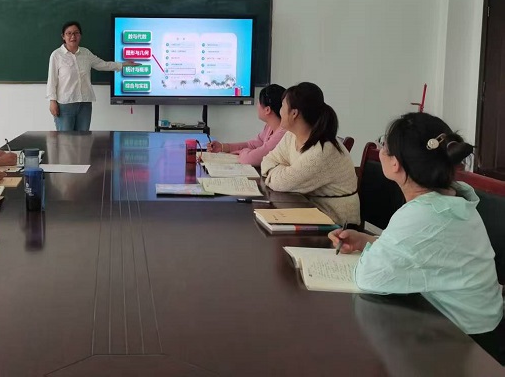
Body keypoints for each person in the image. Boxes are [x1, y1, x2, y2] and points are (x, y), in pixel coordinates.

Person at [329, 112, 504, 339]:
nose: (380, 149)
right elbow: (426, 249)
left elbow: (368, 278)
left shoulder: (423, 213)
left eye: (384, 144)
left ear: (396, 163)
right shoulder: (450, 198)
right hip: (477, 322)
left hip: (469, 340)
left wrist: (374, 249)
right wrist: (368, 241)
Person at [260, 82, 359, 225]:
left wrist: (276, 171)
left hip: (336, 226)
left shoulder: (323, 151)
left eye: (282, 106)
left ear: (294, 113)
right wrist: (282, 171)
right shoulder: (291, 136)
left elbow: (281, 183)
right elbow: (268, 160)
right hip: (310, 213)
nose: (279, 111)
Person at [46, 21, 136, 132]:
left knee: (83, 139)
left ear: (80, 35)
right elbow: (52, 80)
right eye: (69, 33)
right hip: (65, 105)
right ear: (63, 36)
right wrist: (52, 101)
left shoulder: (86, 53)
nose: (73, 36)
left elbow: (102, 64)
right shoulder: (56, 55)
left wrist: (122, 65)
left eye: (76, 33)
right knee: (65, 140)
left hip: (85, 104)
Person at [208, 84, 286, 166]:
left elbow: (248, 159)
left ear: (267, 110)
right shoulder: (269, 126)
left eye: (258, 102)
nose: (257, 106)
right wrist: (223, 147)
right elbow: (252, 145)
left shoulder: (282, 134)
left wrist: (243, 151)